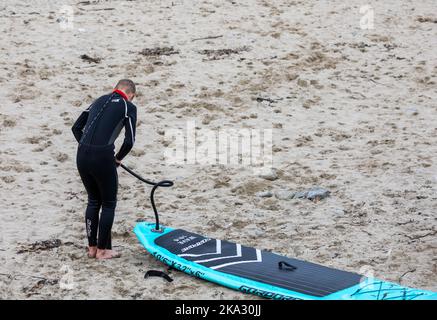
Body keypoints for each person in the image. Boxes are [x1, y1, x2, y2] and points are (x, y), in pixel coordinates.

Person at [72, 79, 137, 259]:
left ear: (114, 89)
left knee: (93, 201)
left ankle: (92, 248)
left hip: (82, 155)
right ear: (131, 95)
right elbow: (129, 141)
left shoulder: (99, 100)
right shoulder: (128, 106)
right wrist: (117, 158)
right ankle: (102, 250)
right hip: (103, 157)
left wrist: (87, 148)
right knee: (108, 203)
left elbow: (76, 128)